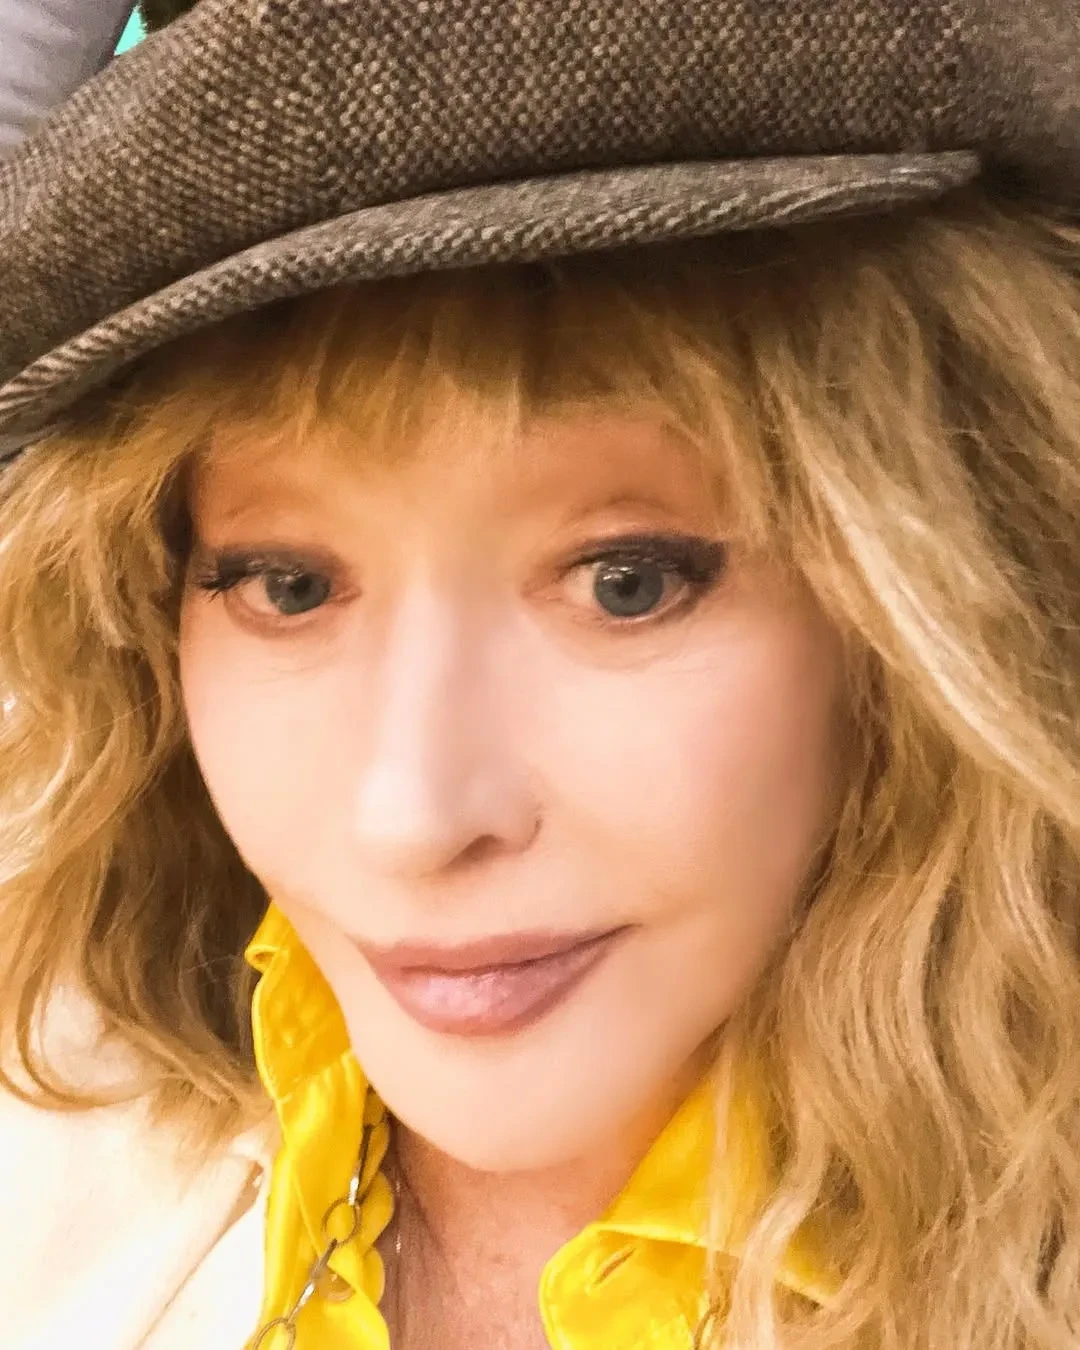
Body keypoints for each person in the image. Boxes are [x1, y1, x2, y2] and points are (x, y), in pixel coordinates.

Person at [0, 2, 1078, 1347]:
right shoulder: (46, 1083)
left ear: (945, 597)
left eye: (627, 581)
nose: (412, 816)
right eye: (287, 585)